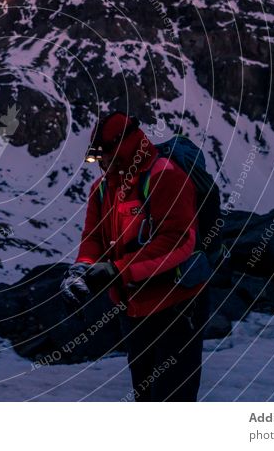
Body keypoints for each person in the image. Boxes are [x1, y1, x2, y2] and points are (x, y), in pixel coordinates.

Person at [60, 111, 210, 401]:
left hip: (177, 306)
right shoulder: (101, 190)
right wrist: (82, 270)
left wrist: (116, 271)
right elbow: (93, 239)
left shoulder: (166, 176)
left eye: (101, 155)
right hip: (134, 310)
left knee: (173, 399)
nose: (98, 163)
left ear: (121, 148)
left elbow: (178, 241)